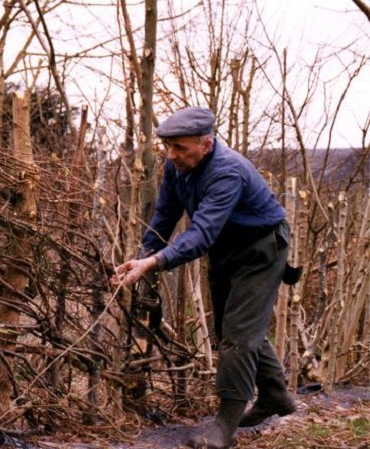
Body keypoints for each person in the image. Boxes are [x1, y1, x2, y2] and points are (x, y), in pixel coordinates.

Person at [110, 106, 297, 449]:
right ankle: (275, 397)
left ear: (206, 144)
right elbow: (165, 214)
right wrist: (144, 253)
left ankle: (224, 426)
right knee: (234, 328)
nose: (171, 155)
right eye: (168, 147)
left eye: (180, 148)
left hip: (261, 248)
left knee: (239, 335)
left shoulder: (228, 172)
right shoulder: (176, 166)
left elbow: (200, 234)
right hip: (226, 248)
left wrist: (154, 263)